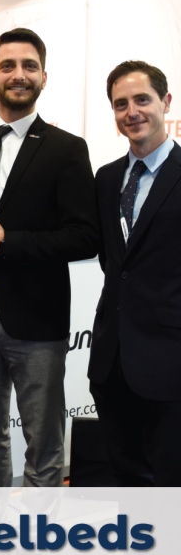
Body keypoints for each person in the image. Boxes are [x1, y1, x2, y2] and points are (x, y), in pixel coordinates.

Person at [0, 28, 98, 487]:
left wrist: (7, 242)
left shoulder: (66, 148)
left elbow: (84, 238)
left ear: (44, 77)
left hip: (37, 320)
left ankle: (39, 528)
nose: (19, 75)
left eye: (29, 66)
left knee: (44, 443)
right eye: (8, 66)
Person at [88, 60, 181, 486]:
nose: (132, 112)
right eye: (121, 104)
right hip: (112, 363)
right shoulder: (107, 179)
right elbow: (114, 264)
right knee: (127, 478)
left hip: (170, 362)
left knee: (170, 482)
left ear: (166, 102)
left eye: (142, 100)